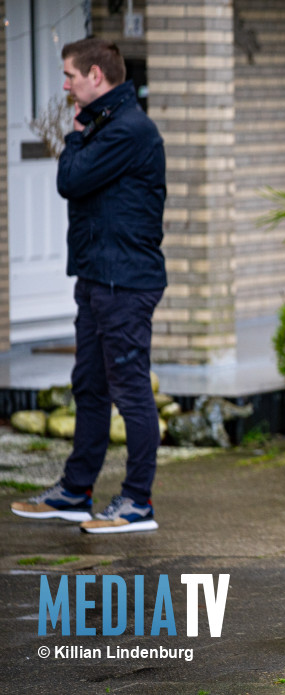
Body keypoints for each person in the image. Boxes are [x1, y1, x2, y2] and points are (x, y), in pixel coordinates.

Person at [10, 38, 167, 534]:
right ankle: (75, 491)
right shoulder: (107, 123)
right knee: (90, 385)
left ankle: (137, 502)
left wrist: (75, 137)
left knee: (130, 390)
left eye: (70, 76)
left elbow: (70, 181)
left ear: (96, 76)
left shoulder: (128, 130)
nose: (65, 85)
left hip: (125, 282)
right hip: (99, 276)